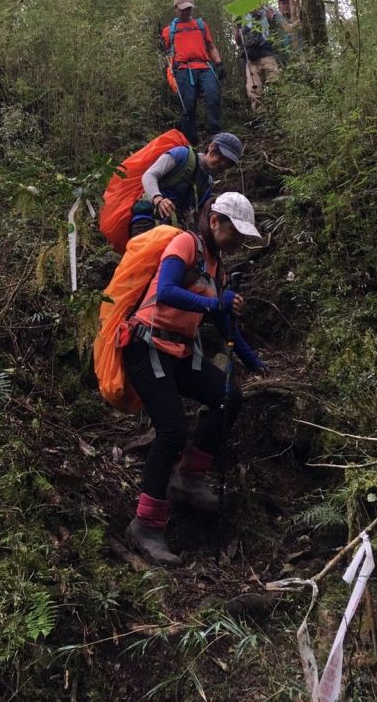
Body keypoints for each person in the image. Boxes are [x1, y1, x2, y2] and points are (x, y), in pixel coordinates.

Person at [123, 192, 266, 566]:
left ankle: (188, 478)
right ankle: (146, 525)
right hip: (145, 346)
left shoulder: (216, 267)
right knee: (172, 431)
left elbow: (223, 323)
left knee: (228, 397)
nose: (237, 241)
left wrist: (253, 361)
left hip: (180, 352)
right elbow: (168, 290)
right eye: (234, 232)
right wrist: (213, 302)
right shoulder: (184, 243)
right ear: (214, 221)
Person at [129, 132, 243, 240]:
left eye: (228, 163)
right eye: (221, 158)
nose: (223, 164)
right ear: (212, 147)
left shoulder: (207, 183)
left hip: (174, 230)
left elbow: (200, 214)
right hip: (147, 219)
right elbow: (150, 175)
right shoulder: (182, 155)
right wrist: (158, 199)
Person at [162, 0, 225, 144]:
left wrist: (219, 63)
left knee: (213, 96)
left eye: (189, 8)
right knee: (187, 104)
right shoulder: (168, 30)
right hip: (183, 69)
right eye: (183, 8)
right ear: (176, 8)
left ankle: (214, 134)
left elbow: (210, 46)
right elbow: (167, 54)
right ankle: (190, 141)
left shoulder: (201, 26)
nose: (186, 11)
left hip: (204, 66)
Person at [234, 0, 282, 111]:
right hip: (251, 57)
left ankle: (276, 109)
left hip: (267, 53)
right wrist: (237, 27)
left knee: (275, 80)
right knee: (253, 88)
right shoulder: (242, 15)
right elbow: (238, 41)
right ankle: (260, 115)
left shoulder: (267, 11)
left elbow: (280, 25)